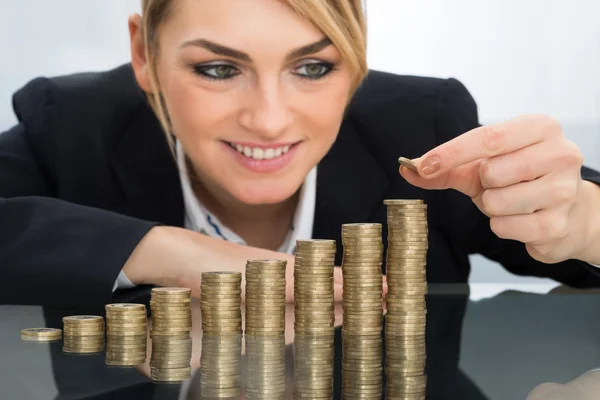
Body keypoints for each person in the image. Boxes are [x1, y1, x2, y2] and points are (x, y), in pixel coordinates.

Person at [1, 0, 600, 307]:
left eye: (313, 67)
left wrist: (587, 222)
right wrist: (167, 250)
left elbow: (571, 226)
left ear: (358, 57)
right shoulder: (72, 124)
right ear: (144, 55)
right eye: (217, 69)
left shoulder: (420, 127)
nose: (268, 119)